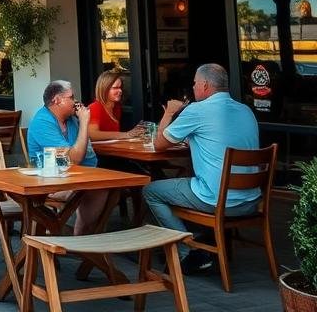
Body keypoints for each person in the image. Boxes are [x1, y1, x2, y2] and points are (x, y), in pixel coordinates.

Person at [144, 63, 260, 274]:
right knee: (191, 181)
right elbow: (213, 139)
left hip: (218, 201)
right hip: (251, 201)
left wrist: (169, 112)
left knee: (150, 191)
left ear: (205, 85)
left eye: (195, 84)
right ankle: (201, 239)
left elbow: (159, 143)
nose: (194, 87)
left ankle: (187, 252)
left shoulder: (197, 110)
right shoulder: (246, 111)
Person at [27, 80, 108, 235]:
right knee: (94, 188)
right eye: (71, 97)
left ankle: (82, 237)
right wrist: (84, 122)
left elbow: (88, 158)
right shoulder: (42, 122)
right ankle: (76, 236)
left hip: (72, 176)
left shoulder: (70, 120)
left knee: (106, 187)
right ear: (57, 100)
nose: (76, 102)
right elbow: (75, 158)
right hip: (46, 182)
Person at [87, 70, 145, 142]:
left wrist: (132, 133)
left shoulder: (116, 107)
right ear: (105, 88)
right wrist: (125, 135)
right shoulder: (95, 107)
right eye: (115, 88)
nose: (120, 91)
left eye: (120, 87)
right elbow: (92, 135)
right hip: (100, 152)